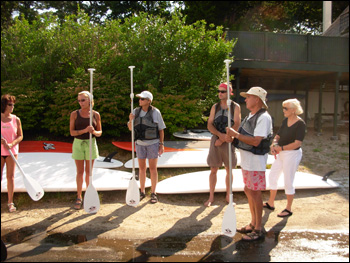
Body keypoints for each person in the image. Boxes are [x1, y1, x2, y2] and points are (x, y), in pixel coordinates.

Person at [226, 86, 273, 241]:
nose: (245, 99)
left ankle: (258, 228)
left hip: (255, 162)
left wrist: (235, 134)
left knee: (255, 192)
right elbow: (245, 136)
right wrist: (232, 138)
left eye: (248, 97)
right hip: (247, 161)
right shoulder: (251, 115)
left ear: (257, 99)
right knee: (248, 189)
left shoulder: (263, 117)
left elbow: (255, 140)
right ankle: (253, 223)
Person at [263, 98, 306, 217]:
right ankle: (271, 202)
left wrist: (280, 148)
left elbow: (297, 143)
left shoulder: (300, 124)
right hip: (281, 152)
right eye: (283, 108)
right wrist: (274, 144)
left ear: (293, 110)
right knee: (273, 176)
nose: (283, 110)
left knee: (288, 180)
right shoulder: (285, 120)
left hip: (292, 154)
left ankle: (288, 208)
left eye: (285, 108)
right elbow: (278, 135)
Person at [205, 83, 241, 207]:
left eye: (223, 91)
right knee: (213, 169)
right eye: (219, 91)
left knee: (229, 169)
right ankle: (211, 197)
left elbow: (236, 123)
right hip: (216, 139)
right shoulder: (215, 107)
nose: (220, 93)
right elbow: (209, 124)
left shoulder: (235, 107)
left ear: (229, 93)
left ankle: (228, 196)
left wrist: (226, 138)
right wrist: (219, 136)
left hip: (229, 139)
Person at [128, 91, 166, 204]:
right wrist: (130, 119)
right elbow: (130, 128)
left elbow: (161, 129)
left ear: (149, 101)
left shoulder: (155, 112)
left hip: (153, 144)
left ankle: (153, 193)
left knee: (153, 169)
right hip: (140, 143)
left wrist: (161, 144)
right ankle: (142, 191)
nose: (140, 100)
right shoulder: (135, 111)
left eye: (143, 99)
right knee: (142, 168)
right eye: (139, 99)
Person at [70, 91, 102, 210]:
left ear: (89, 100)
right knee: (79, 172)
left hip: (91, 144)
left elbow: (100, 132)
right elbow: (72, 132)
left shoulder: (95, 114)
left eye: (83, 100)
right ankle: (79, 196)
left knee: (89, 172)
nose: (80, 103)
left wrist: (93, 132)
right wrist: (84, 130)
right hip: (78, 144)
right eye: (79, 100)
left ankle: (89, 194)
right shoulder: (74, 114)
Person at [1, 94, 23, 213]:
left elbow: (20, 136)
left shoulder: (16, 119)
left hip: (11, 152)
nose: (12, 106)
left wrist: (11, 144)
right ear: (4, 105)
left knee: (11, 177)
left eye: (13, 104)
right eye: (10, 104)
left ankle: (10, 202)